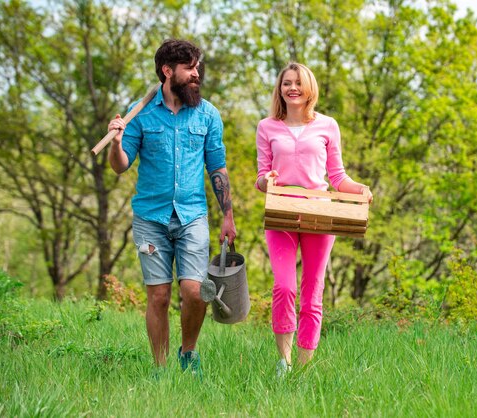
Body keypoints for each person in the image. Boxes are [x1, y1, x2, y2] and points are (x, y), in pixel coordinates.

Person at [107, 39, 236, 376]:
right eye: (189, 68)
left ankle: (188, 353)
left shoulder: (207, 114)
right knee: (159, 297)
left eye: (197, 68)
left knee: (195, 293)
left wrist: (228, 215)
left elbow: (217, 169)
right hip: (151, 218)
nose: (197, 75)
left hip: (193, 215)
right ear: (168, 71)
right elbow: (120, 165)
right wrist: (117, 142)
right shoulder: (141, 112)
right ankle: (161, 368)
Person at [255, 62, 373, 375]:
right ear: (279, 89)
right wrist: (266, 181)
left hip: (320, 213)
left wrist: (361, 188)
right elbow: (260, 175)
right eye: (286, 83)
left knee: (312, 291)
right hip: (280, 211)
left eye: (298, 83)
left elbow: (338, 176)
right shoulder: (267, 126)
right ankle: (284, 361)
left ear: (310, 88)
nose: (292, 88)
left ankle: (304, 369)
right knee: (284, 287)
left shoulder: (327, 126)